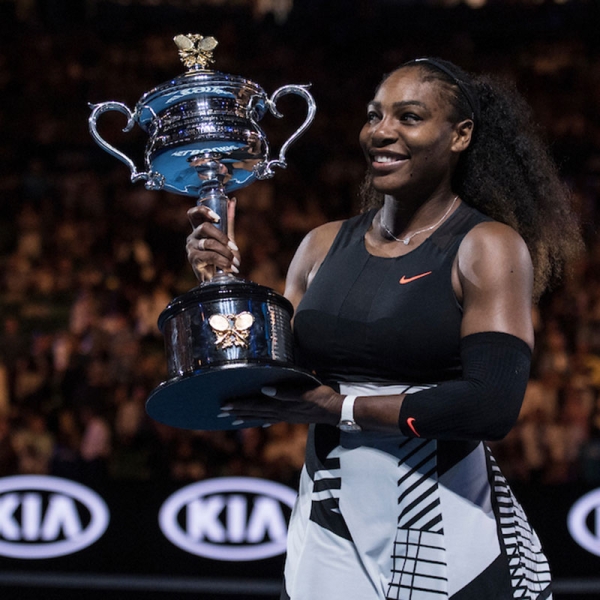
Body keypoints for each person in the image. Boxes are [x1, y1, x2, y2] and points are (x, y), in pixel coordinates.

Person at [186, 58, 582, 600]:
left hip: (443, 522)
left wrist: (340, 409)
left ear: (460, 135)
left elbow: (492, 405)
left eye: (409, 117)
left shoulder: (487, 246)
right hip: (328, 524)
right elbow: (271, 378)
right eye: (374, 115)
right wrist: (221, 287)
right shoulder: (321, 245)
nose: (381, 131)